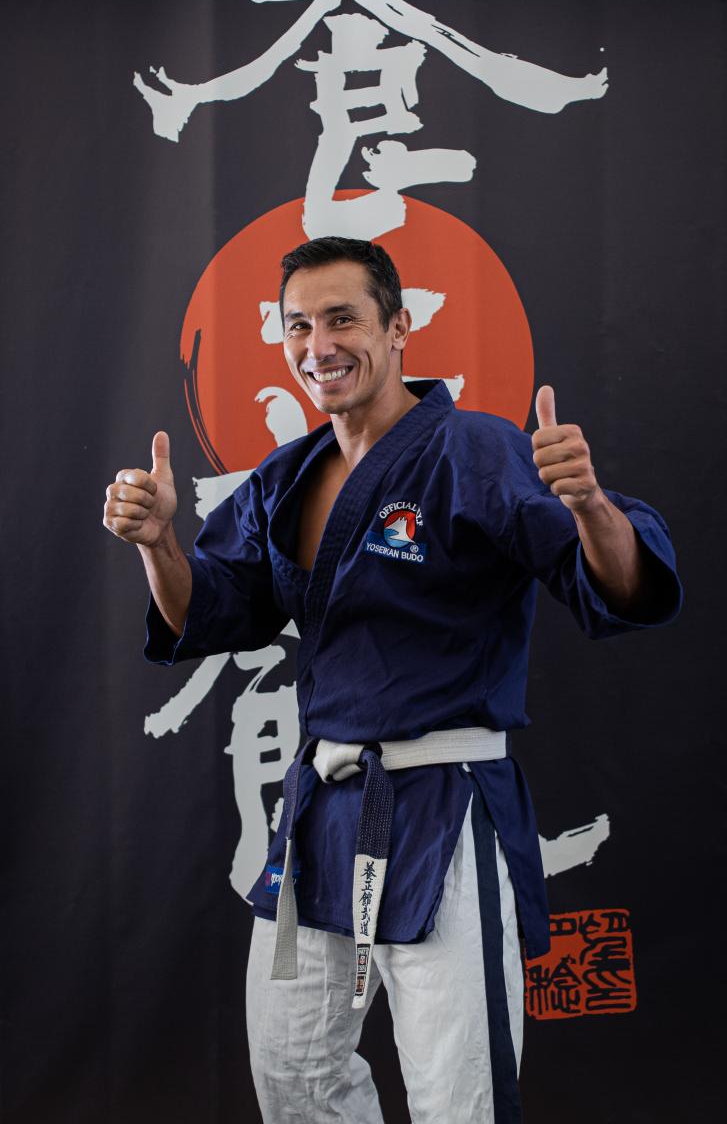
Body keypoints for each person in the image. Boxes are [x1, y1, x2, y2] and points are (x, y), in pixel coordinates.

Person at [103, 237, 681, 1124]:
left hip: (443, 805)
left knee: (458, 1091)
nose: (318, 346)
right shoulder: (285, 478)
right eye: (299, 326)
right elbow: (213, 612)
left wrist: (591, 505)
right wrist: (158, 547)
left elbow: (612, 586)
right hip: (322, 808)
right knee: (294, 1078)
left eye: (342, 319)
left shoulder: (472, 450)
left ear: (399, 326)